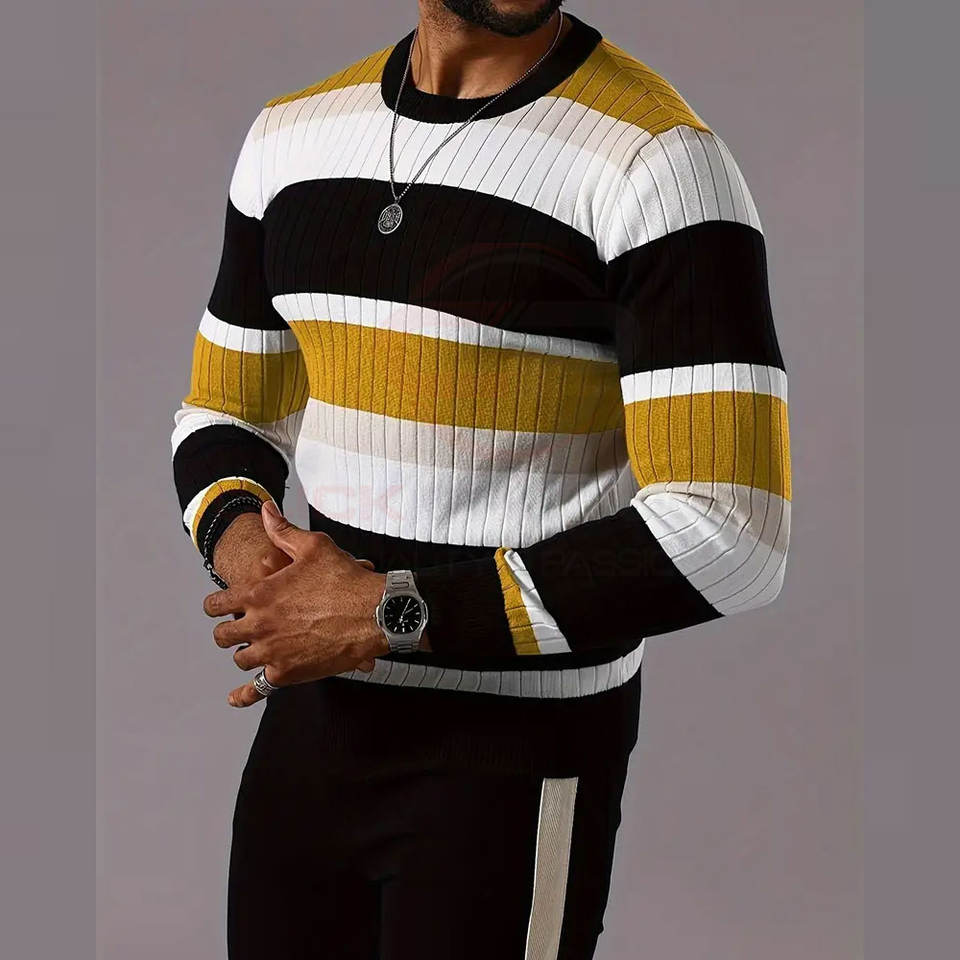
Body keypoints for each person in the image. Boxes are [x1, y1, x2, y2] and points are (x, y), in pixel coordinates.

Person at [170, 2, 792, 956]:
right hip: (313, 730)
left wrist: (390, 611)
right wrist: (256, 562)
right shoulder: (290, 137)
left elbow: (734, 532)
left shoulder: (657, 162)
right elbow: (225, 413)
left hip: (517, 756)